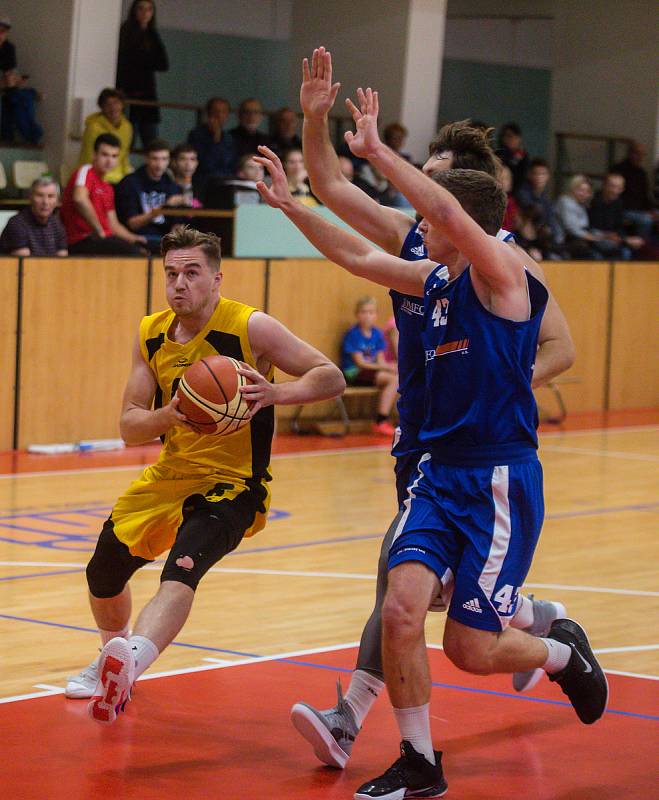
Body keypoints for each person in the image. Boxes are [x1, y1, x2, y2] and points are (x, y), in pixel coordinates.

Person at [255, 84, 608, 799]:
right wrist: (292, 206)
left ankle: (556, 652)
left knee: (467, 647)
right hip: (434, 467)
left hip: (497, 476)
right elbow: (356, 255)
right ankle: (417, 760)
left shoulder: (504, 270)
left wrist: (379, 148)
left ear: (464, 217)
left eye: (431, 202)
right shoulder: (432, 275)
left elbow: (447, 213)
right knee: (400, 601)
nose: (418, 215)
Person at [65, 225, 345, 716]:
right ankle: (111, 656)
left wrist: (276, 393)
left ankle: (128, 667)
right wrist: (168, 415)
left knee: (182, 569)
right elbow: (130, 427)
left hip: (234, 484)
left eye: (192, 273)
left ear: (216, 278)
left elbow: (330, 376)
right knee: (103, 572)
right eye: (171, 273)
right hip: (171, 475)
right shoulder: (150, 334)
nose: (179, 284)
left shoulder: (249, 326)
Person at [60, 133, 146, 255]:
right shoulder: (86, 171)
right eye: (104, 155)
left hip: (104, 240)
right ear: (94, 155)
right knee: (133, 253)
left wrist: (133, 238)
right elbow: (79, 198)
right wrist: (99, 230)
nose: (109, 161)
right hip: (81, 240)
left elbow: (113, 224)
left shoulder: (108, 187)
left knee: (148, 249)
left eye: (114, 156)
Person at [115, 138, 185, 252]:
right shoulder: (130, 183)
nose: (159, 164)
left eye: (164, 159)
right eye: (155, 159)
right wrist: (164, 207)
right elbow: (133, 224)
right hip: (138, 238)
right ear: (146, 158)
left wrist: (176, 238)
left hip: (165, 240)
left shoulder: (171, 185)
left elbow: (177, 225)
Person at [341, 296, 398, 436]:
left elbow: (380, 360)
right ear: (357, 314)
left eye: (371, 312)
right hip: (354, 372)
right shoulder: (353, 334)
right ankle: (381, 420)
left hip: (371, 371)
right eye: (363, 312)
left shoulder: (377, 334)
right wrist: (386, 368)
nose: (367, 316)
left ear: (376, 315)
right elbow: (360, 363)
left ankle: (386, 419)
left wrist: (391, 367)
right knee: (393, 379)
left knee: (398, 375)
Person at [116, 0, 169, 147]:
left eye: (149, 9)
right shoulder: (126, 31)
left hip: (148, 94)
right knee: (126, 141)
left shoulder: (152, 34)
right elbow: (123, 62)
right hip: (128, 93)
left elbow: (163, 64)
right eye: (141, 9)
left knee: (152, 142)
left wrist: (144, 59)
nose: (145, 13)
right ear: (134, 11)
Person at [0, 16, 43, 144]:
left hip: (8, 89)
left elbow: (10, 70)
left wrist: (13, 79)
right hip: (5, 88)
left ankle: (31, 136)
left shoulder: (9, 48)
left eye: (3, 32)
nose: (1, 35)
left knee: (20, 98)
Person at [78, 88, 133, 184]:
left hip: (119, 177)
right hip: (97, 177)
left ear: (122, 104)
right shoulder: (93, 127)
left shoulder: (127, 127)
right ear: (102, 107)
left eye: (116, 103)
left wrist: (127, 177)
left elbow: (124, 155)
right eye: (108, 104)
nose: (113, 108)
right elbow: (89, 157)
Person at [0, 177, 67, 256]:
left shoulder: (57, 225)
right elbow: (24, 262)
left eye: (50, 196)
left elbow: (62, 259)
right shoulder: (17, 224)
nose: (45, 202)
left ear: (57, 201)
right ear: (30, 197)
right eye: (40, 195)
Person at [516, 158, 565, 260]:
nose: (539, 177)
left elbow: (551, 220)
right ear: (529, 175)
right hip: (525, 241)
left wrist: (556, 237)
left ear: (548, 176)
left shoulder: (545, 199)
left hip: (543, 241)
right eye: (536, 174)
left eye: (543, 174)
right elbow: (532, 216)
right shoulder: (522, 194)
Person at [588, 173, 644, 260]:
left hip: (612, 239)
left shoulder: (618, 203)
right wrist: (625, 240)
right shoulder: (593, 201)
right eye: (612, 186)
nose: (615, 191)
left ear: (622, 190)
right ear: (604, 186)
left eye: (619, 188)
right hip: (594, 238)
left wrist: (625, 239)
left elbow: (618, 227)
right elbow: (595, 228)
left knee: (628, 251)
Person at [187, 97, 236, 185]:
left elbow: (230, 163)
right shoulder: (196, 134)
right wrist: (216, 139)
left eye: (223, 112)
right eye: (216, 111)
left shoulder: (228, 137)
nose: (219, 115)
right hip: (203, 181)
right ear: (208, 113)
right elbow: (205, 164)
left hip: (226, 182)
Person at [554, 174, 605, 259]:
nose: (584, 194)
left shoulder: (581, 205)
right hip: (564, 240)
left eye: (587, 191)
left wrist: (603, 236)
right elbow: (571, 228)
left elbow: (585, 226)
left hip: (578, 238)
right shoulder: (565, 202)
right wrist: (591, 237)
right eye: (581, 190)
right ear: (572, 189)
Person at [612, 141, 656, 237]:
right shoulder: (618, 169)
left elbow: (645, 194)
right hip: (624, 208)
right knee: (646, 220)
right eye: (637, 153)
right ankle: (640, 246)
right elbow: (617, 196)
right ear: (630, 153)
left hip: (640, 208)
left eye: (642, 154)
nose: (640, 157)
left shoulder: (641, 173)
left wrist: (651, 209)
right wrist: (645, 211)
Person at [496, 122, 529, 195]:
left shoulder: (523, 155)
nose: (507, 139)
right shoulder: (498, 154)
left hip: (519, 191)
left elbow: (524, 176)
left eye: (510, 136)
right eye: (505, 136)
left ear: (518, 138)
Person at [170, 143, 202, 207]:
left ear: (197, 163)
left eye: (192, 159)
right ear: (173, 162)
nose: (188, 164)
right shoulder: (167, 189)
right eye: (182, 159)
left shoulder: (202, 189)